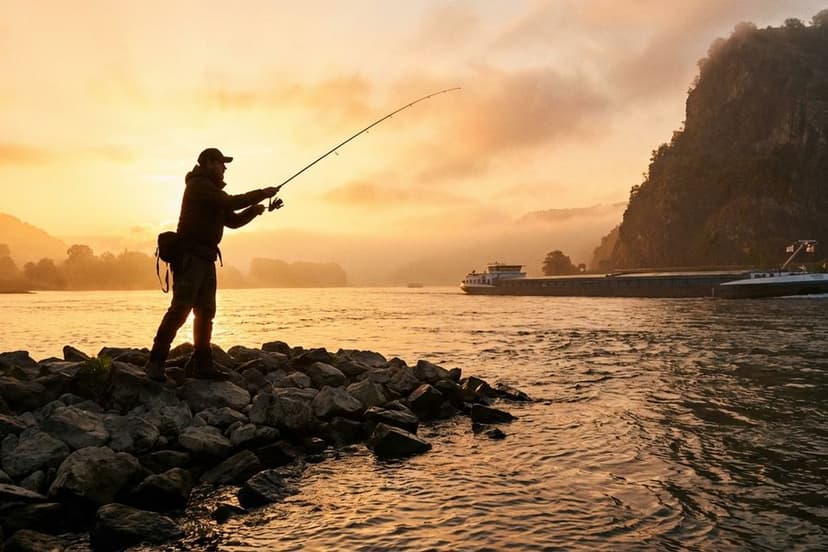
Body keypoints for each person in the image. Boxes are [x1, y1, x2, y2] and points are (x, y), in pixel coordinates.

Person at [144, 147, 283, 381]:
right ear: (208, 163)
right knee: (180, 310)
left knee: (206, 312)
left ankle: (202, 363)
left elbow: (233, 220)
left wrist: (255, 210)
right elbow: (231, 202)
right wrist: (262, 193)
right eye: (221, 163)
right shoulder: (199, 186)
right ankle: (155, 362)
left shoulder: (213, 192)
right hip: (190, 257)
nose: (224, 168)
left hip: (206, 258)